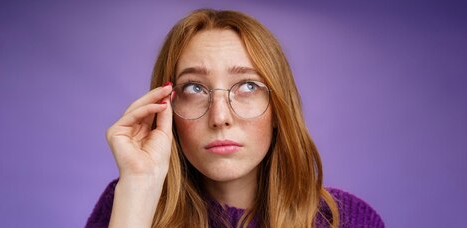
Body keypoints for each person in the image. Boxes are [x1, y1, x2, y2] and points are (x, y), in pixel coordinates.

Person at [86, 9, 384, 228]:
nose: (220, 117)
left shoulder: (346, 220)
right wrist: (140, 186)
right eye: (194, 88)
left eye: (247, 86)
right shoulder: (127, 203)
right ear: (165, 107)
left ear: (278, 109)